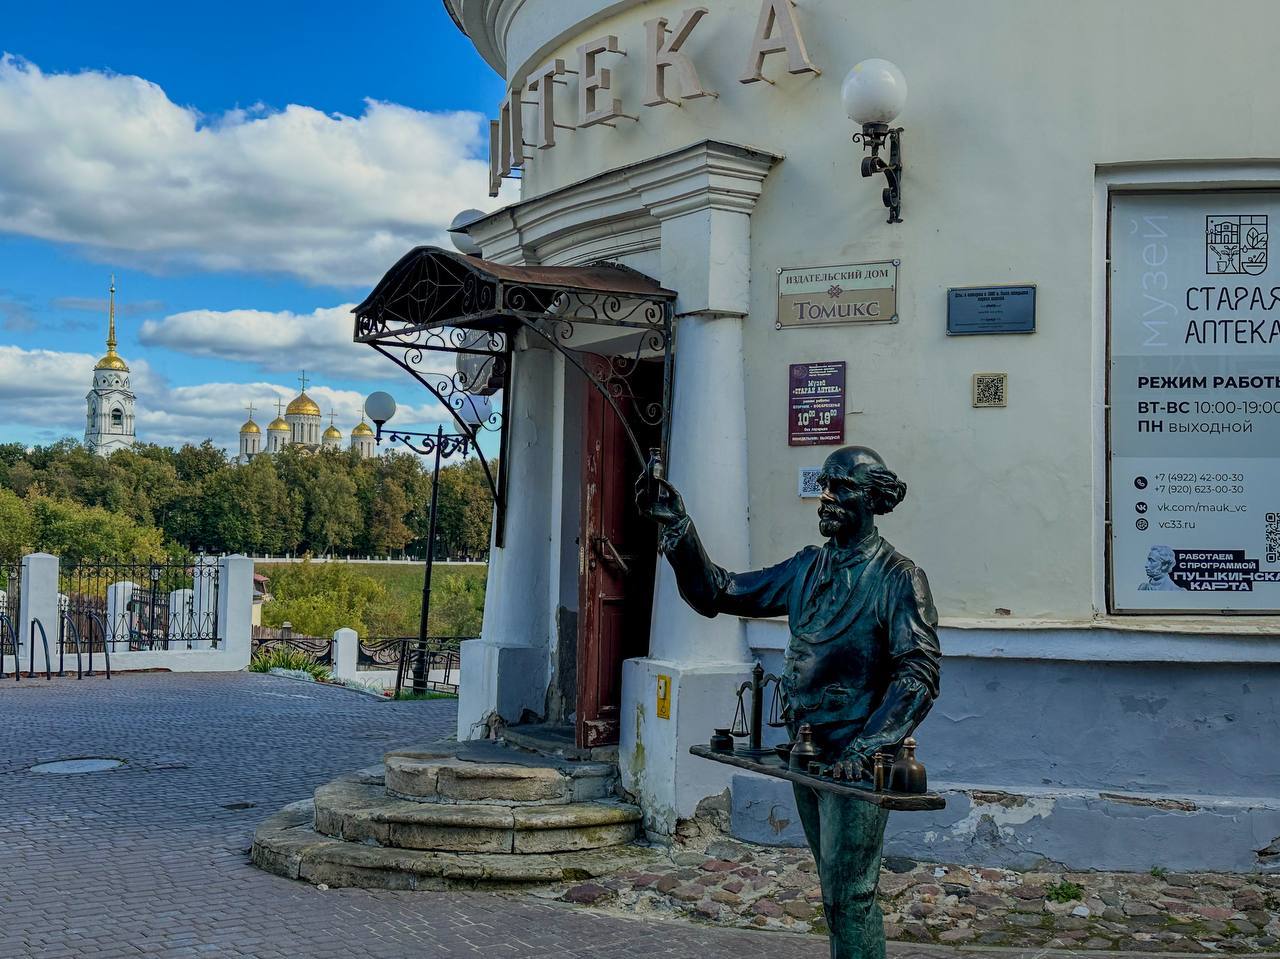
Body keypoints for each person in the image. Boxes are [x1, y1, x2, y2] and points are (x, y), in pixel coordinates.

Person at [637, 445, 940, 959]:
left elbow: (918, 674)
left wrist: (866, 749)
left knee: (852, 895)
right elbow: (720, 591)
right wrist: (679, 528)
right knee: (835, 891)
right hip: (808, 753)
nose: (826, 496)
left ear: (872, 498)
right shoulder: (806, 568)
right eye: (823, 484)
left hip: (856, 764)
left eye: (840, 486)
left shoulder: (897, 578)